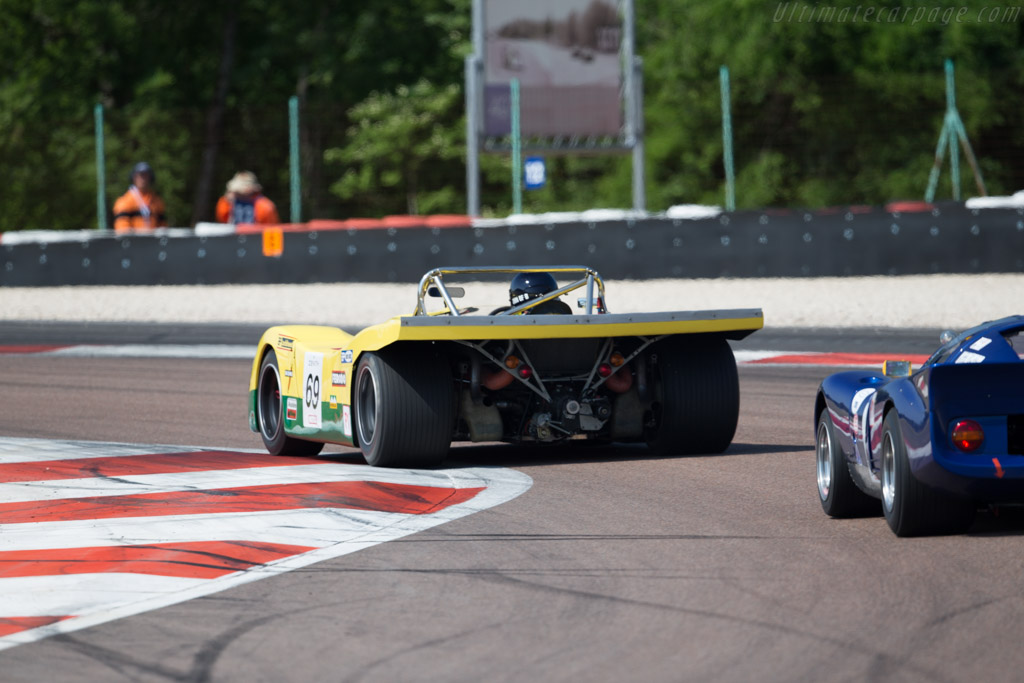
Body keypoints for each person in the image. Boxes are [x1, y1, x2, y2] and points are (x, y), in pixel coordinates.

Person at [112, 162, 167, 232]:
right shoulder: (124, 201)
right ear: (134, 178)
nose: (143, 179)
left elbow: (163, 225)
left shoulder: (157, 201)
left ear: (150, 178)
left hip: (153, 241)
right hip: (134, 241)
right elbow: (122, 227)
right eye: (140, 176)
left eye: (146, 176)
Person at [215, 171, 280, 225]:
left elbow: (271, 228)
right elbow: (222, 219)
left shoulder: (263, 205)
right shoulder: (228, 203)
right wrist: (227, 201)